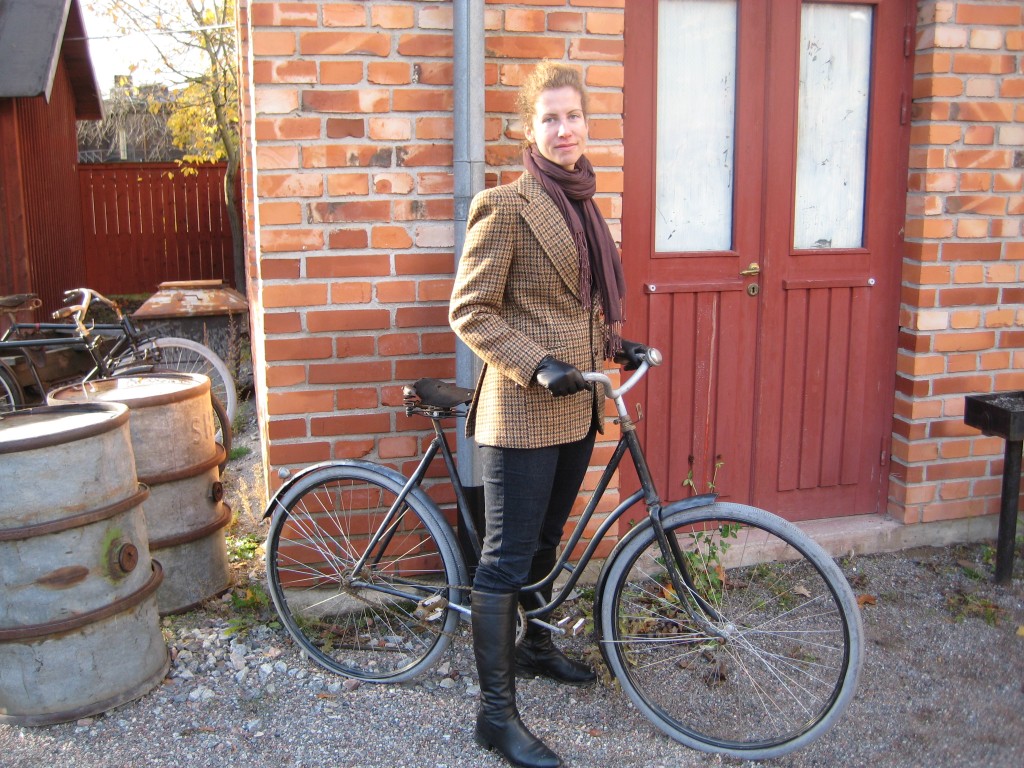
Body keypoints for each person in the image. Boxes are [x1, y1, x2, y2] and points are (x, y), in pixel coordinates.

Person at [449, 61, 646, 768]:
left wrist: (616, 344)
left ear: (586, 123)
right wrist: (539, 365)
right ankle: (494, 720)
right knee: (504, 561)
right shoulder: (507, 204)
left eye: (574, 116)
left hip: (578, 405)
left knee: (545, 543)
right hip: (524, 410)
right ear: (529, 129)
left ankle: (535, 647)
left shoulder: (587, 204)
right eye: (550, 119)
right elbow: (469, 311)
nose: (565, 130)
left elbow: (578, 306)